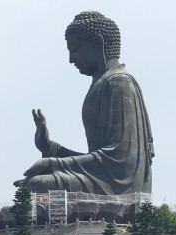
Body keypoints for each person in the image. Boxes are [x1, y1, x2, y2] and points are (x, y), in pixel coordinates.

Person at [16, 11, 153, 196]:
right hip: (103, 178)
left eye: (75, 49)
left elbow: (118, 161)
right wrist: (50, 148)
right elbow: (99, 160)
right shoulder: (102, 84)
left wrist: (54, 163)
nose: (71, 59)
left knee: (36, 185)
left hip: (120, 187)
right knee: (34, 185)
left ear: (98, 43)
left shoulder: (118, 83)